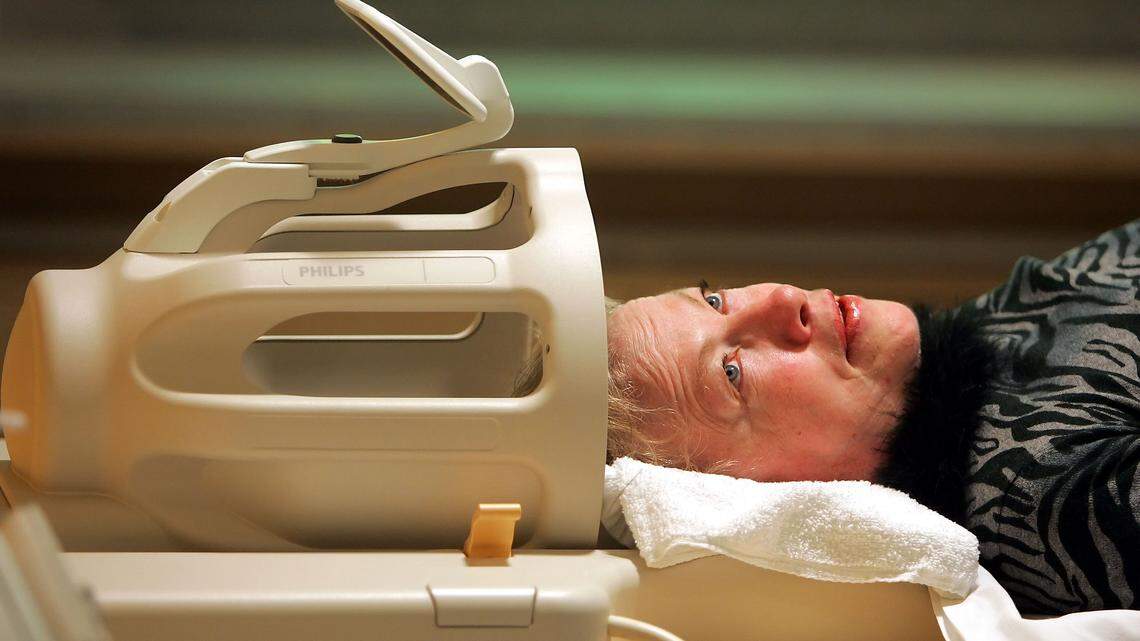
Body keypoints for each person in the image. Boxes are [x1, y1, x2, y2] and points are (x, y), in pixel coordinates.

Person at [603, 220, 1140, 616]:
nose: (784, 298)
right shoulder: (1048, 499)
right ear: (760, 494)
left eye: (715, 299)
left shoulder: (991, 327)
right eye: (734, 373)